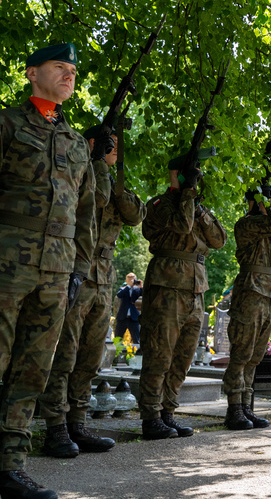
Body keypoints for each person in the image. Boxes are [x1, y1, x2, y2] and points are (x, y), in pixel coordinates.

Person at [0, 43, 97, 499]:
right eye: (60, 68)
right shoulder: (7, 124)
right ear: (31, 72)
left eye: (73, 70)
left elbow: (85, 213)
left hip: (56, 274)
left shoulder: (76, 142)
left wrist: (79, 269)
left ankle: (9, 467)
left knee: (32, 372)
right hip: (7, 264)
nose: (69, 75)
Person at [40, 124, 145, 459]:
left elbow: (134, 214)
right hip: (76, 271)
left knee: (90, 358)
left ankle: (78, 423)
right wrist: (96, 158)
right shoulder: (82, 170)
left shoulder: (114, 182)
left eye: (113, 144)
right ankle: (56, 427)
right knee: (65, 356)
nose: (113, 148)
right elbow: (95, 199)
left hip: (103, 279)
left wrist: (108, 164)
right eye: (106, 143)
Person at [138, 150, 227, 440]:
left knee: (182, 357)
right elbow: (182, 225)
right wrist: (184, 192)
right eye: (192, 175)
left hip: (195, 290)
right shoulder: (160, 204)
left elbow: (219, 240)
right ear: (177, 175)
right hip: (167, 289)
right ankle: (151, 416)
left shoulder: (195, 206)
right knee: (159, 354)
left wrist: (198, 207)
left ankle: (167, 413)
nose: (197, 181)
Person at [223, 187, 271, 430]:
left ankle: (246, 407)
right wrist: (268, 208)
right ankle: (234, 409)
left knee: (255, 357)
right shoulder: (246, 225)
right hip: (251, 292)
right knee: (242, 353)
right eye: (263, 201)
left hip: (269, 294)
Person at [115, 272, 143, 343]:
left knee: (136, 339)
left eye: (133, 280)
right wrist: (128, 286)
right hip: (122, 317)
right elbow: (119, 295)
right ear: (126, 281)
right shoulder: (122, 289)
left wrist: (141, 287)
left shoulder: (137, 290)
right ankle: (117, 353)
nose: (131, 281)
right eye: (129, 280)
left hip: (133, 318)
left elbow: (144, 296)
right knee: (118, 338)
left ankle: (137, 353)